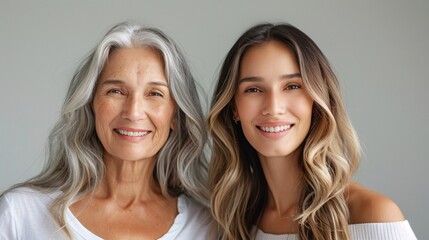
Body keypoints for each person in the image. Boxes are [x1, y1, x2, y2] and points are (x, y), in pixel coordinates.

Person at [0, 22, 215, 239]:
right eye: (116, 91)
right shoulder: (20, 213)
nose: (133, 112)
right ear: (91, 105)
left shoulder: (208, 226)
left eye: (155, 94)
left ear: (176, 115)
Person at [207, 23, 417, 240]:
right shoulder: (232, 221)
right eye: (254, 89)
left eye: (292, 86)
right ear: (234, 108)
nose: (273, 108)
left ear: (317, 100)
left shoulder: (372, 215)